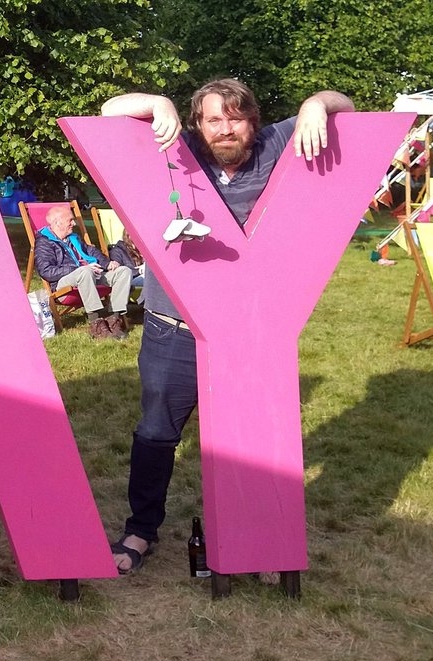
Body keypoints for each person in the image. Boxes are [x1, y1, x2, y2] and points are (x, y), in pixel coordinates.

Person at [100, 79, 353, 573]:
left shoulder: (276, 143)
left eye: (235, 118)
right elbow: (110, 110)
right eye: (214, 119)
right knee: (156, 433)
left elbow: (346, 104)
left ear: (253, 120)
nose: (225, 129)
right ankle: (140, 530)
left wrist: (315, 105)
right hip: (172, 326)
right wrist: (157, 103)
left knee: (248, 438)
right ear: (199, 124)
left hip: (246, 330)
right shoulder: (179, 148)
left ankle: (253, 535)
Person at [33, 205, 134, 339]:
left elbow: (92, 252)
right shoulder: (44, 243)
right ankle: (96, 324)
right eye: (70, 220)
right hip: (63, 283)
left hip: (90, 275)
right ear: (58, 223)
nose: (74, 223)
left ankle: (114, 320)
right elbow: (46, 271)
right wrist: (78, 269)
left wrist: (107, 263)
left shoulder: (73, 238)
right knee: (85, 271)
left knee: (123, 271)